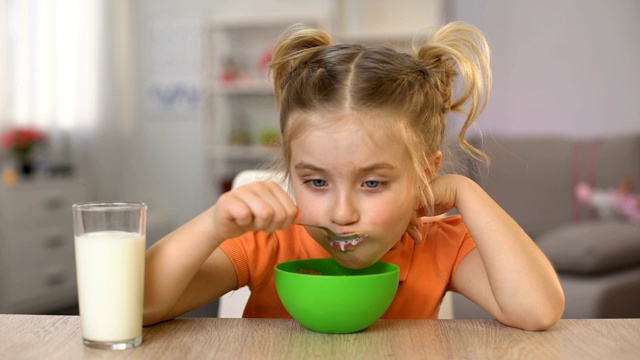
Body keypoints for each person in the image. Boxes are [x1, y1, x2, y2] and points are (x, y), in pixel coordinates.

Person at [143, 21, 565, 330]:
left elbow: (537, 311)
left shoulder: (438, 243)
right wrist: (213, 225)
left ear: (426, 175)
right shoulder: (267, 241)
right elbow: (137, 305)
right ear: (290, 172)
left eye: (372, 183)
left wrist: (465, 191)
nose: (341, 213)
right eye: (317, 182)